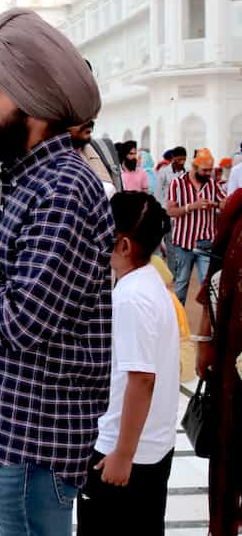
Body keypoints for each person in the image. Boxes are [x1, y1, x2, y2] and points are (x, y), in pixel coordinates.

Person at [0, 9, 113, 535]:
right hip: (17, 435)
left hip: (34, 445)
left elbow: (23, 325)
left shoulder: (60, 189)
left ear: (32, 103)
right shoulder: (33, 180)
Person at [76, 192, 179, 536]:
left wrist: (122, 453)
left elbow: (141, 379)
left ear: (122, 244)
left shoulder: (131, 298)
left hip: (123, 452)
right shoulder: (149, 282)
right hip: (151, 445)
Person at [195, 188, 242, 536]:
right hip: (232, 355)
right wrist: (203, 341)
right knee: (231, 446)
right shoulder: (238, 203)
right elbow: (216, 267)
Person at [166, 147, 226, 305]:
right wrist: (192, 206)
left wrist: (214, 204)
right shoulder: (177, 183)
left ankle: (208, 326)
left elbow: (225, 204)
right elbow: (171, 211)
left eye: (210, 170)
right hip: (184, 243)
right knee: (181, 285)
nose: (208, 173)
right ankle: (178, 325)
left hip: (206, 242)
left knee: (208, 287)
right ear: (195, 167)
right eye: (205, 170)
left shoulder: (212, 184)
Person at [156, 146, 187, 275]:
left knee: (179, 243)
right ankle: (169, 272)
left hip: (181, 212)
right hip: (166, 212)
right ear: (173, 158)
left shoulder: (187, 172)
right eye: (179, 159)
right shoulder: (163, 172)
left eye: (184, 160)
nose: (182, 162)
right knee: (168, 243)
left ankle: (178, 272)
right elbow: (158, 193)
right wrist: (162, 211)